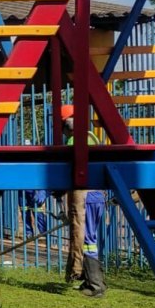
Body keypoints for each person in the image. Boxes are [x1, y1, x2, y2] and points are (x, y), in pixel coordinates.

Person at [60, 104, 107, 297]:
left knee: (86, 239)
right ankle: (91, 280)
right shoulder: (91, 135)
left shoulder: (75, 140)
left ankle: (95, 285)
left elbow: (70, 169)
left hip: (86, 196)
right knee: (90, 238)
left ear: (67, 124)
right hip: (97, 195)